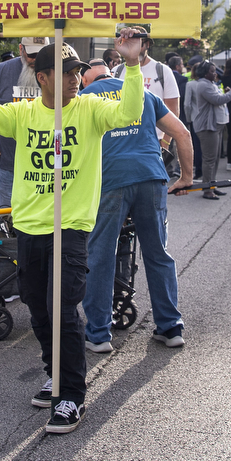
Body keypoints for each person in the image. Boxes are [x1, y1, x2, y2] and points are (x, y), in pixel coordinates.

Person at [0, 28, 147, 434]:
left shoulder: (91, 108)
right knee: (37, 306)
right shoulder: (24, 112)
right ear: (42, 76)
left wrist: (132, 64)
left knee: (62, 308)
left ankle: (71, 396)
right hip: (30, 225)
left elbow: (130, 112)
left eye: (77, 72)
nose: (74, 78)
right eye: (65, 72)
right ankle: (55, 375)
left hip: (71, 226)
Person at [78, 57, 192, 353]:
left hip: (110, 180)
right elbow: (182, 133)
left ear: (87, 81)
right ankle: (171, 327)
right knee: (158, 253)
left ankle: (99, 334)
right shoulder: (143, 94)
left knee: (100, 255)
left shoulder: (83, 98)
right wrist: (186, 178)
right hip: (151, 177)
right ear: (113, 75)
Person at [0, 36, 48, 208]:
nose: (36, 60)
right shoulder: (0, 72)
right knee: (9, 219)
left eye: (42, 54)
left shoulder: (57, 71)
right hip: (10, 163)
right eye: (32, 54)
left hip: (46, 167)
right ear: (20, 49)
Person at [186, 61, 231, 199]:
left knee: (214, 159)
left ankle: (212, 185)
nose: (215, 74)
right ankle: (207, 189)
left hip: (216, 125)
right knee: (209, 159)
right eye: (213, 71)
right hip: (207, 127)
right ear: (205, 73)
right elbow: (218, 100)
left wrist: (227, 93)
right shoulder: (203, 84)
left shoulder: (210, 84)